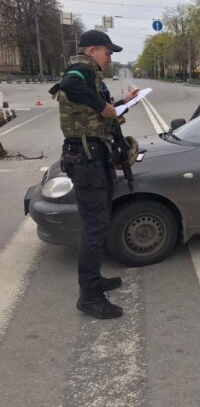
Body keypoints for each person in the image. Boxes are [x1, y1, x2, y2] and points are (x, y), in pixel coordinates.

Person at [50, 30, 139, 319]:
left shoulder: (92, 77)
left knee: (98, 226)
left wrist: (122, 103)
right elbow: (69, 86)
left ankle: (94, 280)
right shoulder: (80, 71)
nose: (110, 57)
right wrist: (104, 106)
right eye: (107, 52)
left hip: (95, 158)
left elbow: (100, 116)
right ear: (91, 51)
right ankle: (89, 296)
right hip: (86, 162)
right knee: (93, 229)